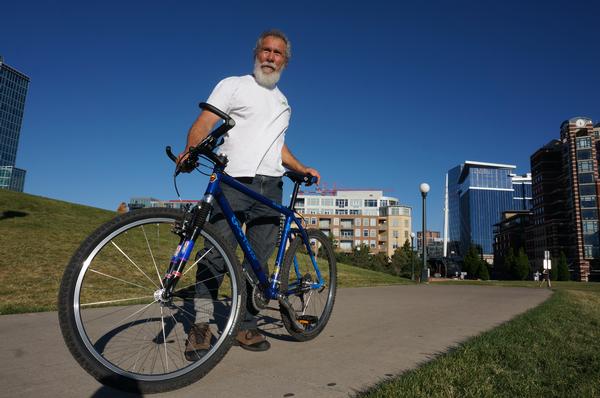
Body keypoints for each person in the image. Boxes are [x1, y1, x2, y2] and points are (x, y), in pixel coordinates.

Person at [177, 30, 320, 360]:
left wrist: (301, 166)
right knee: (213, 254)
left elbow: (277, 146)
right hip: (232, 180)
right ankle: (201, 325)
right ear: (256, 53)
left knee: (257, 260)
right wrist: (191, 148)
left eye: (278, 53)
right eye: (266, 50)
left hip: (271, 186)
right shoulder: (233, 85)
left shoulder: (284, 104)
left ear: (286, 61)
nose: (270, 57)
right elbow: (204, 122)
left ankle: (246, 324)